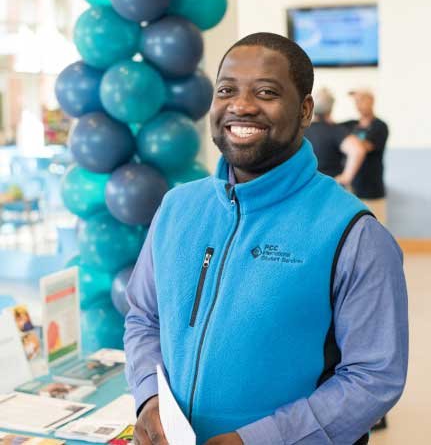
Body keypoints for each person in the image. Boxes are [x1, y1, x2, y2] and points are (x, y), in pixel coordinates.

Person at [125, 33, 408, 445]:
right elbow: (143, 318)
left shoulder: (355, 234)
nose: (241, 105)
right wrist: (149, 398)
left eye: (266, 92)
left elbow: (374, 376)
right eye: (226, 90)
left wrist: (259, 439)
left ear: (305, 110)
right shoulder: (176, 208)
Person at [342, 89, 389, 223]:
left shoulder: (380, 126)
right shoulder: (350, 125)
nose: (358, 104)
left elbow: (363, 147)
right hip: (351, 190)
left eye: (362, 100)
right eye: (356, 101)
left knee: (378, 228)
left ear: (372, 101)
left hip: (372, 190)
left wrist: (347, 141)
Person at [305, 87, 366, 185]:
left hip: (307, 187)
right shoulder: (336, 130)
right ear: (331, 107)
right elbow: (357, 150)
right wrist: (345, 177)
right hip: (330, 188)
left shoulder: (302, 130)